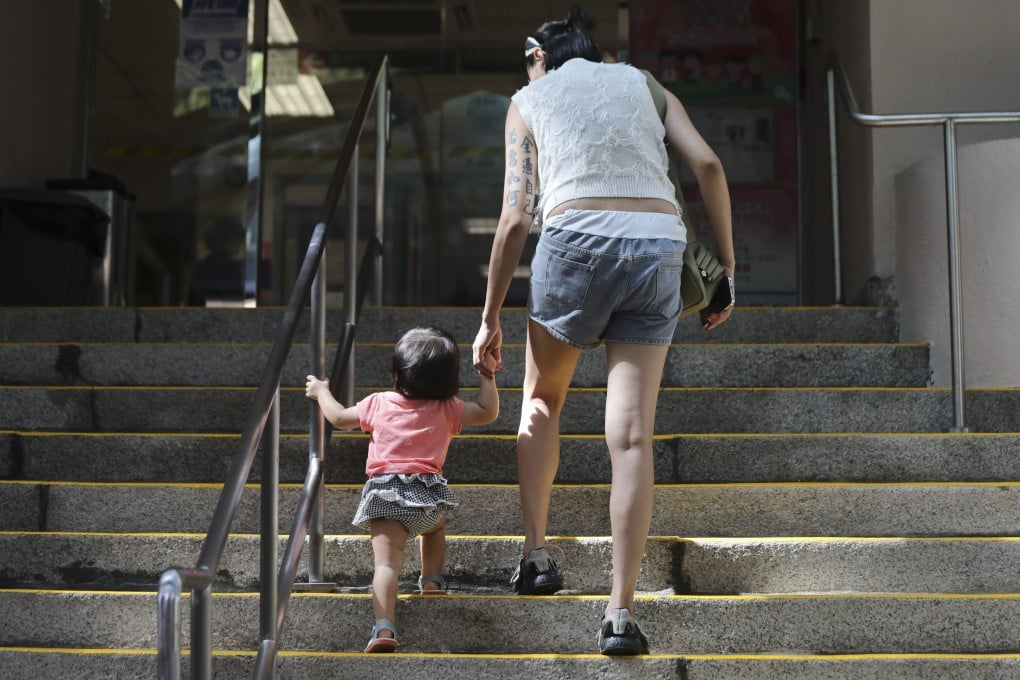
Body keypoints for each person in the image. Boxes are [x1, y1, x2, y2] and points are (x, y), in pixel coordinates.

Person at [471, 7, 735, 656]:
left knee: (541, 401)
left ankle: (536, 557)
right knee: (632, 435)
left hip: (574, 243)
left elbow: (513, 219)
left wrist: (488, 318)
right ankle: (620, 613)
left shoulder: (529, 98)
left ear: (538, 56)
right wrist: (726, 268)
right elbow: (708, 167)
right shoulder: (644, 83)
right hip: (656, 247)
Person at [306, 326, 500, 653]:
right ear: (449, 379)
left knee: (386, 566)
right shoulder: (448, 406)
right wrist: (487, 374)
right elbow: (487, 411)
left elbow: (338, 418)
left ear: (397, 374)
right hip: (428, 500)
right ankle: (432, 580)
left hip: (386, 499)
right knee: (435, 530)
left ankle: (384, 629)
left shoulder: (378, 403)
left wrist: (321, 391)